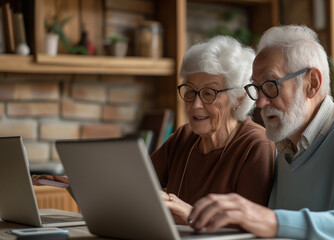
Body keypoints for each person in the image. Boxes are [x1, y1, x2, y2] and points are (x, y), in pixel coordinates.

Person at [188, 25, 334, 239]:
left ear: (312, 83)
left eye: (271, 85)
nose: (261, 103)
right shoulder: (283, 147)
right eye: (256, 87)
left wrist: (271, 220)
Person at [33, 35, 275, 226]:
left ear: (238, 97)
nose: (195, 104)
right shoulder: (184, 137)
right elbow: (132, 192)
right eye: (189, 91)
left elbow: (249, 229)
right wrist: (83, 184)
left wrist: (189, 214)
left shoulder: (256, 146)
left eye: (209, 93)